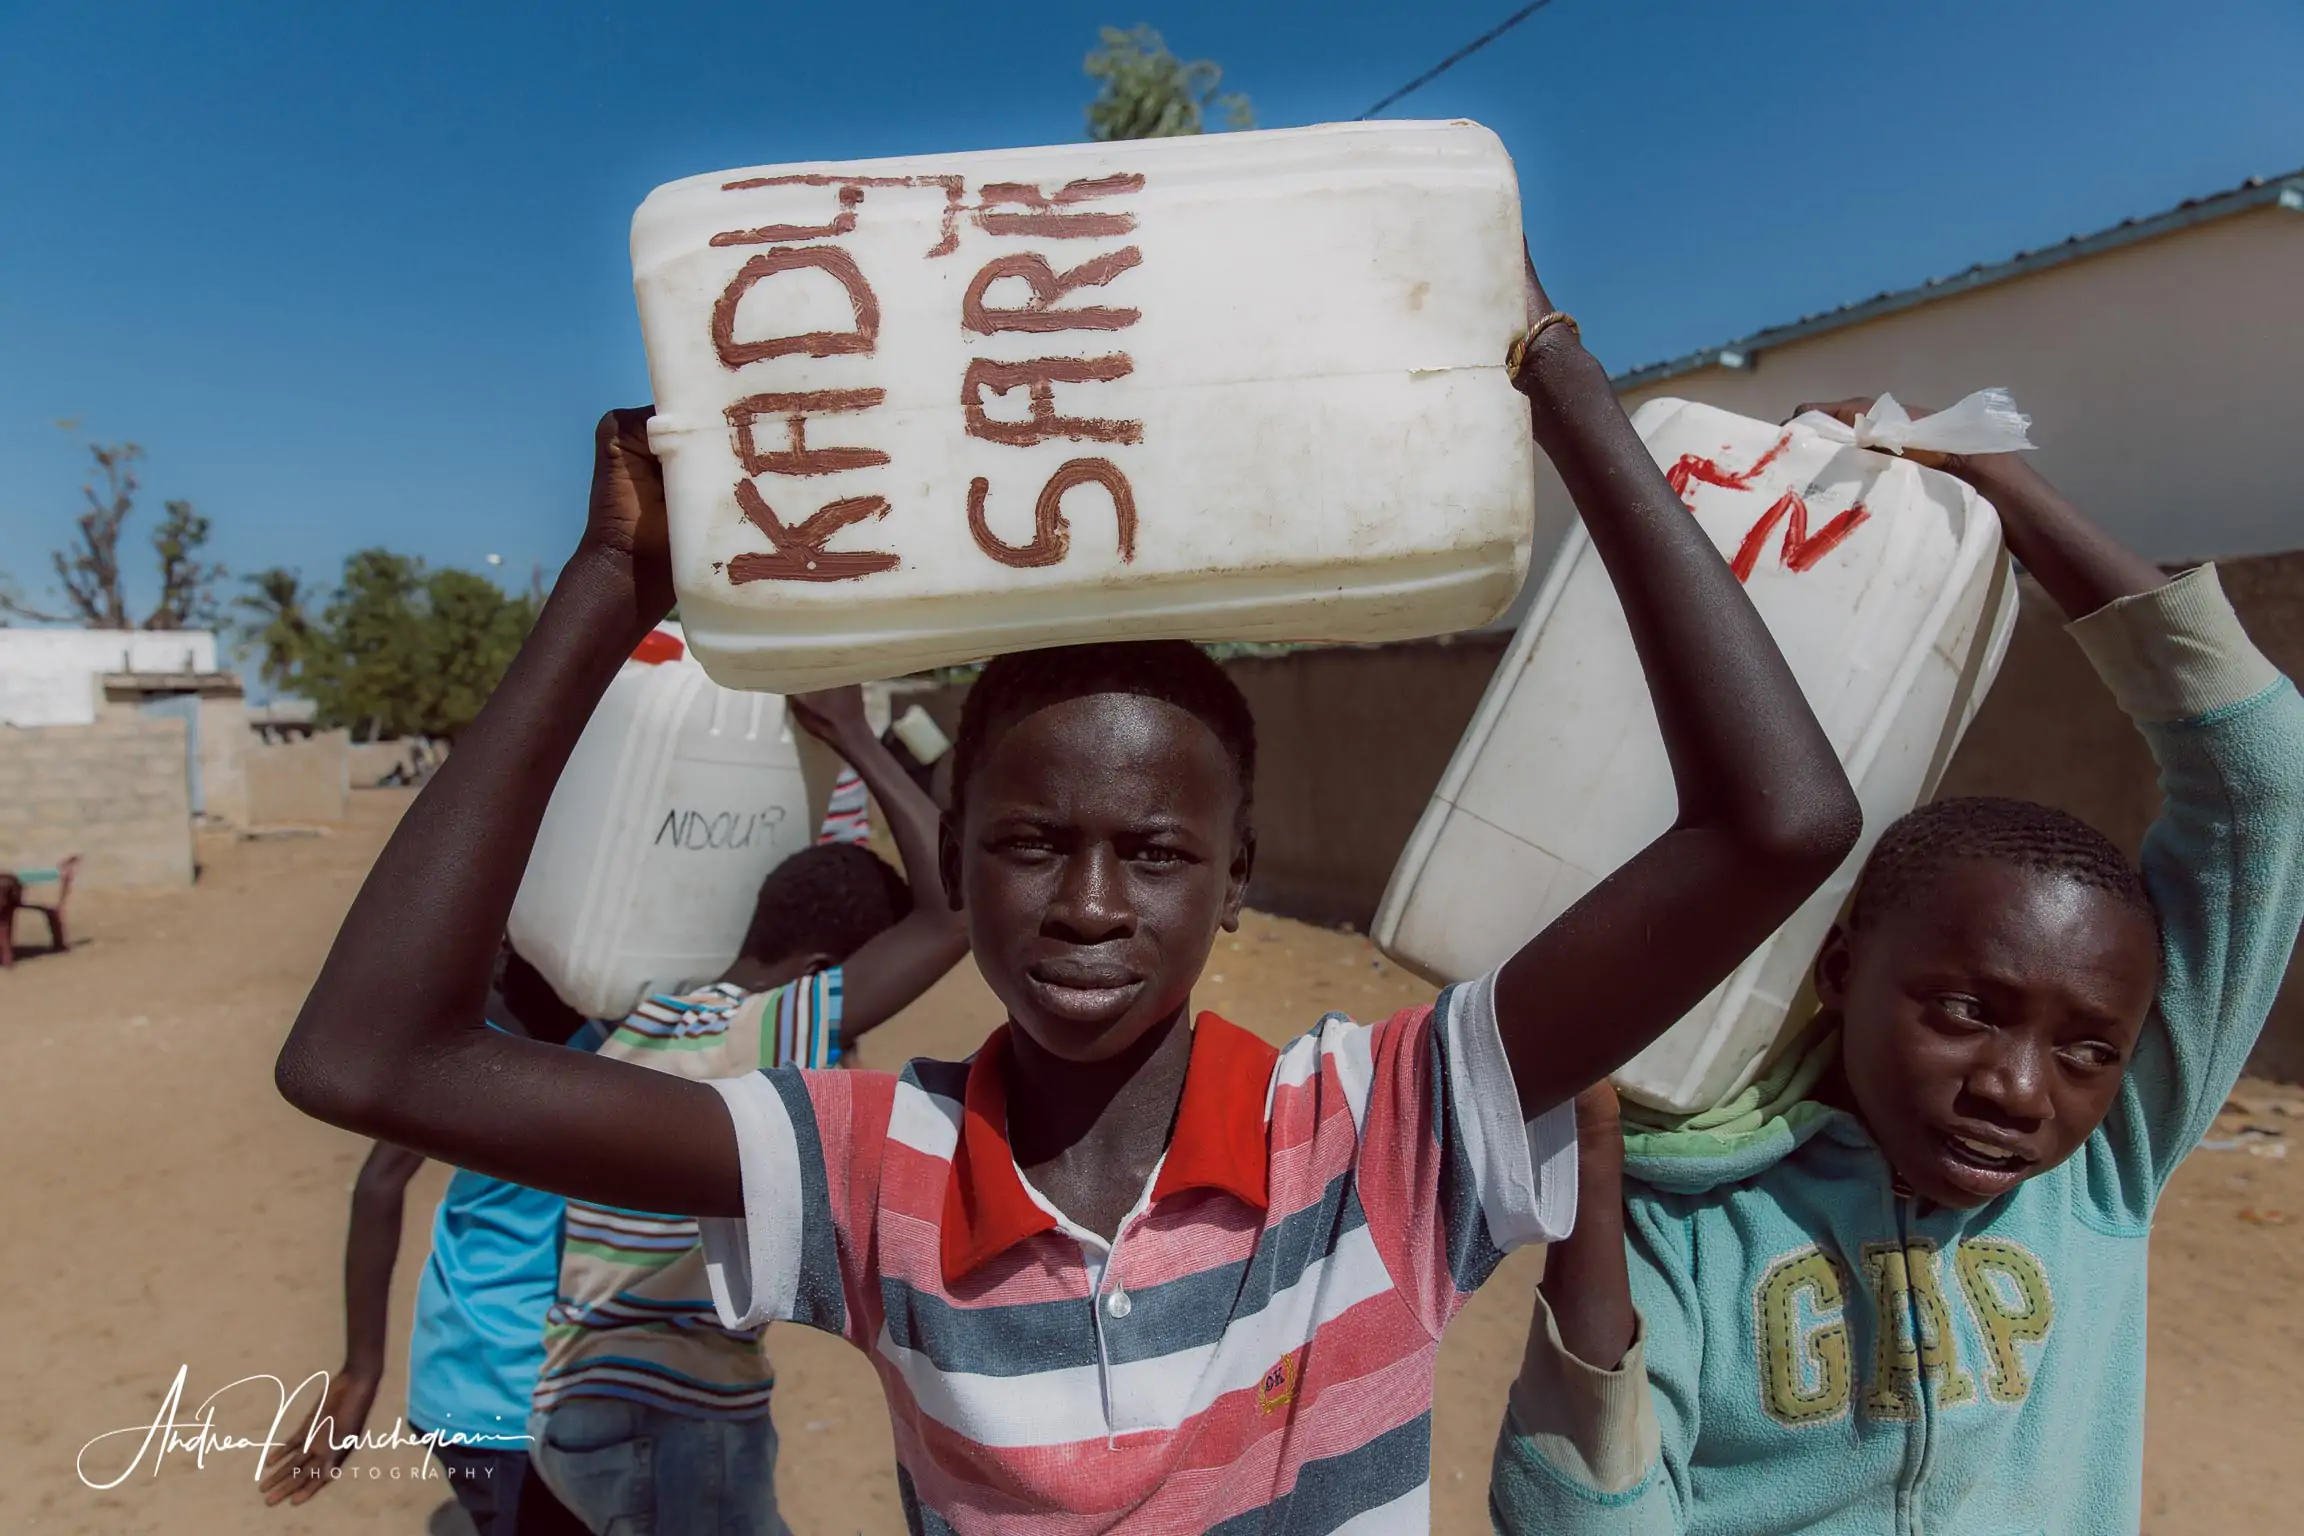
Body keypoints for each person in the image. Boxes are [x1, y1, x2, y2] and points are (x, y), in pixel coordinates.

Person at [273, 254, 1862, 1532]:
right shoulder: (858, 1170)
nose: (1089, 903)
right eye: (1029, 844)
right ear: (951, 859)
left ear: (1236, 879)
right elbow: (369, 1064)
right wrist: (610, 583)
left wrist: (1564, 383)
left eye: (1158, 853)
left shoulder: (1381, 1130)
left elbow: (1783, 825)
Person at [1488, 399, 2304, 1535]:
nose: (2018, 1089)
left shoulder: (2104, 1164)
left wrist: (1993, 487)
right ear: (1838, 968)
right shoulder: (1693, 1216)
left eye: (2086, 1049)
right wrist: (1587, 1209)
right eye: (1967, 1010)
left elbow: (2266, 780)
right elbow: (1586, 1519)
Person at [526, 686, 967, 1536]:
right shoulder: (758, 1028)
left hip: (574, 1405)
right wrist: (850, 735)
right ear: (818, 970)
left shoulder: (649, 1016)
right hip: (675, 1418)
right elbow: (950, 915)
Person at [259, 940, 599, 1533]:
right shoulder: (632, 1041)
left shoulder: (470, 1046)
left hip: (465, 1378)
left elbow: (378, 1185)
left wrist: (361, 1369)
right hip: (536, 1397)